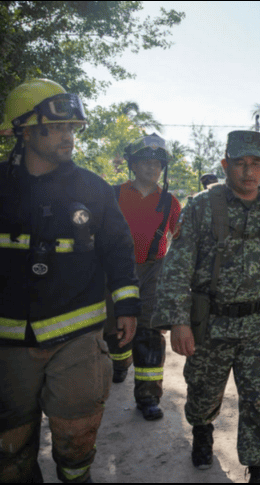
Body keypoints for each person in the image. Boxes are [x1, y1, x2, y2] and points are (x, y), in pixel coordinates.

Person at [0, 78, 140, 483]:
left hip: (78, 335)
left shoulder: (93, 188)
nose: (68, 136)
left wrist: (127, 307)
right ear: (26, 130)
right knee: (9, 446)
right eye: (58, 126)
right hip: (8, 344)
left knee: (77, 435)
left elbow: (118, 249)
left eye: (72, 128)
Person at [153, 131, 260, 482]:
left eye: (255, 163)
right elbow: (176, 265)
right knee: (203, 393)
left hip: (257, 324)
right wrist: (179, 322)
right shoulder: (201, 206)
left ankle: (259, 468)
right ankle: (202, 430)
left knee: (258, 398)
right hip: (210, 324)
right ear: (225, 164)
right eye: (239, 163)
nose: (247, 171)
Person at [103, 133, 181, 422]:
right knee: (114, 329)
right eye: (146, 162)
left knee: (149, 332)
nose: (152, 167)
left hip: (153, 272)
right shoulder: (112, 195)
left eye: (158, 163)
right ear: (132, 165)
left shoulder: (171, 202)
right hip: (115, 271)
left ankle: (148, 396)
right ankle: (120, 362)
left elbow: (181, 239)